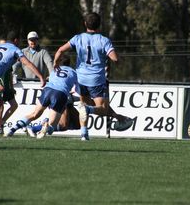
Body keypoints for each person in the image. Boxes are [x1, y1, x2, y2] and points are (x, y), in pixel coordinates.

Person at [53, 12, 133, 141]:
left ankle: (84, 133)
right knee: (101, 108)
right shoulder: (103, 40)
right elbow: (115, 58)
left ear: (85, 24)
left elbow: (61, 50)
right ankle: (89, 111)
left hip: (81, 79)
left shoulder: (77, 38)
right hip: (96, 79)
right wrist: (120, 61)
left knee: (83, 104)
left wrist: (56, 63)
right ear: (99, 25)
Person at [4, 55, 78, 139]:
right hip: (60, 93)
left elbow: (50, 79)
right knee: (52, 126)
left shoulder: (55, 70)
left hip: (47, 90)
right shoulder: (74, 72)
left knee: (34, 114)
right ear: (70, 64)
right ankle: (45, 124)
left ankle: (11, 130)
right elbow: (77, 89)